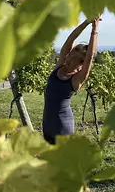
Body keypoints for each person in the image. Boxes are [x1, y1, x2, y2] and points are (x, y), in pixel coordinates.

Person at [42, 16, 101, 144]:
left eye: (74, 58)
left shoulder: (76, 79)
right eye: (71, 53)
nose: (69, 57)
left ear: (81, 64)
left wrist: (95, 28)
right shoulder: (60, 66)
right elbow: (70, 40)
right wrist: (86, 22)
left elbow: (90, 56)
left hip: (62, 130)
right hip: (47, 127)